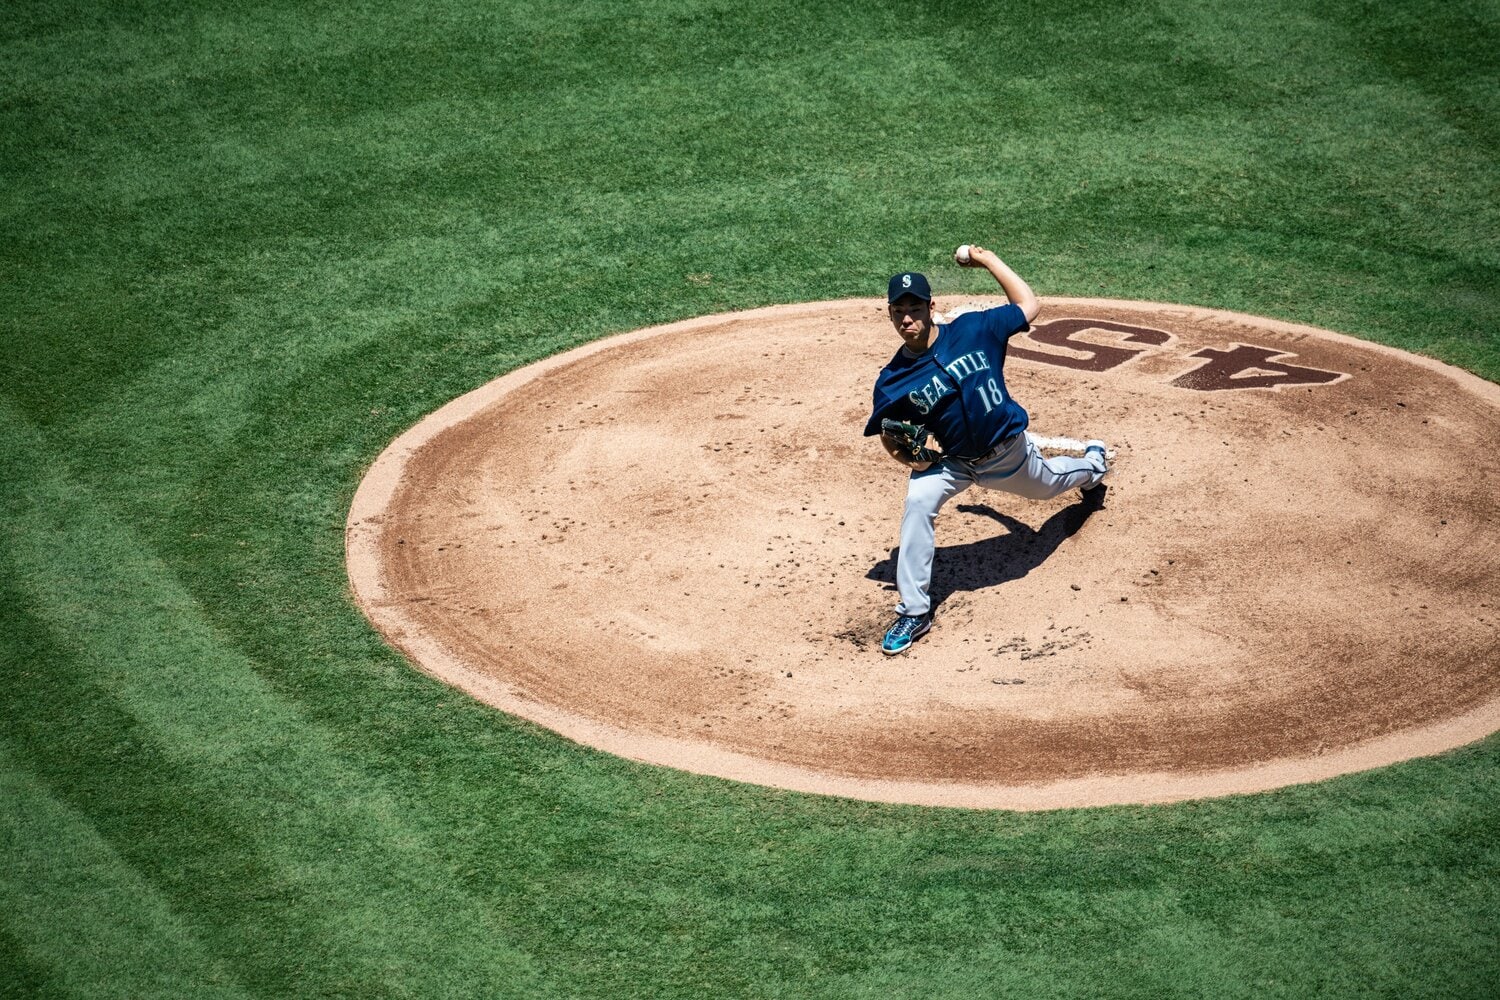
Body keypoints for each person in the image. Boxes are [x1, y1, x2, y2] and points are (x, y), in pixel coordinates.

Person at [864, 247, 1108, 654]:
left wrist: (988, 260)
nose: (907, 318)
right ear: (889, 314)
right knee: (918, 501)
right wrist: (910, 459)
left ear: (930, 308)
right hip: (953, 463)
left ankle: (1095, 465)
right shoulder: (892, 380)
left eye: (915, 308)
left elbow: (1028, 305)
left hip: (1007, 454)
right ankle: (914, 611)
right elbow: (889, 434)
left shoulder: (974, 329)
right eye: (898, 311)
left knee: (1050, 484)